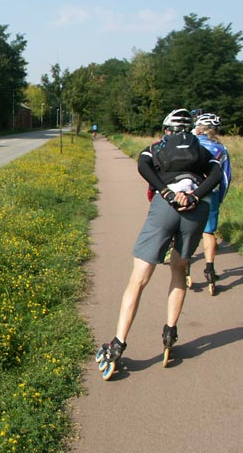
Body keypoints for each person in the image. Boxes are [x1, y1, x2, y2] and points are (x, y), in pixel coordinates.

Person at [96, 108, 224, 379]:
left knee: (139, 278)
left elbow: (142, 166)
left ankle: (118, 344)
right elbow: (215, 175)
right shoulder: (200, 151)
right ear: (189, 130)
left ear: (166, 129)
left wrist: (166, 191)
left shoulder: (157, 147)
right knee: (179, 270)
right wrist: (194, 196)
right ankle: (169, 333)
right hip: (195, 211)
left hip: (165, 209)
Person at [193, 113, 231, 294]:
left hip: (191, 191)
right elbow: (225, 178)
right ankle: (209, 268)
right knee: (209, 232)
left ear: (199, 127)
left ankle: (184, 267)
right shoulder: (221, 149)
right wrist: (220, 198)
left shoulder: (191, 143)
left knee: (185, 230)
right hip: (212, 194)